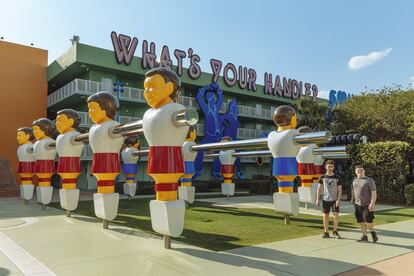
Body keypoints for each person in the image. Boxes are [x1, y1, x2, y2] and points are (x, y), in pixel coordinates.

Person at [351, 165, 378, 243]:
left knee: (368, 221)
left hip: (367, 205)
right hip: (357, 204)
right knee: (361, 221)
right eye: (357, 170)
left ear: (364, 171)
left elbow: (374, 193)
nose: (359, 171)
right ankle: (364, 236)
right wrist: (353, 199)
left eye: (361, 170)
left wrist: (372, 204)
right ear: (355, 172)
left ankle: (373, 233)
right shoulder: (354, 180)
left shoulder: (369, 180)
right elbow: (354, 191)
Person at [316, 160, 342, 239]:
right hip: (325, 199)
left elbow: (340, 190)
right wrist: (317, 199)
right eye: (328, 166)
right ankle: (326, 232)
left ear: (333, 167)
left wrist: (338, 200)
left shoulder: (337, 177)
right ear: (325, 167)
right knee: (325, 215)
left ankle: (335, 231)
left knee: (336, 215)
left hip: (334, 200)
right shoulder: (322, 177)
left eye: (331, 166)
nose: (330, 168)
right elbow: (319, 189)